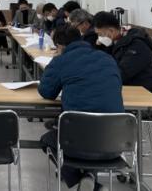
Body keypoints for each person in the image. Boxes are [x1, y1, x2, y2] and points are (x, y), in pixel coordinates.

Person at [39, 25, 123, 191]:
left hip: (77, 142)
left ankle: (84, 180)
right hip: (115, 142)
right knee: (90, 131)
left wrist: (55, 62)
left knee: (47, 140)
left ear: (60, 46)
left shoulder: (61, 61)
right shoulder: (107, 58)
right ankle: (89, 177)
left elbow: (46, 91)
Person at [93, 11, 152, 93]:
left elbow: (121, 74)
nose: (99, 38)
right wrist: (99, 47)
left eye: (100, 34)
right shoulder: (116, 41)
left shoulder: (136, 45)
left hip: (139, 91)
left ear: (111, 31)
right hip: (124, 86)